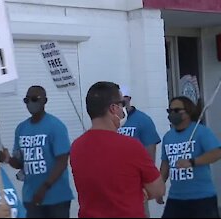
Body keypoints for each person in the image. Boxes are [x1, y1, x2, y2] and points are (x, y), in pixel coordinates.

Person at [70, 81, 165, 218]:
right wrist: (142, 193)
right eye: (122, 104)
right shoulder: (131, 146)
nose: (123, 110)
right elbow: (158, 189)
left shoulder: (76, 147)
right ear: (113, 108)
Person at [0, 85, 73, 218]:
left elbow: (62, 162)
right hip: (31, 197)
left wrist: (45, 187)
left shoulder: (56, 126)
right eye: (27, 100)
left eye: (34, 99)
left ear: (45, 100)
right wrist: (7, 158)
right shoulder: (21, 128)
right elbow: (21, 163)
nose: (30, 103)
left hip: (56, 198)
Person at [158, 96, 221, 218]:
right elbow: (165, 163)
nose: (172, 114)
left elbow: (217, 152)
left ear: (188, 112)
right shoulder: (168, 137)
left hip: (201, 198)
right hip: (175, 198)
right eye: (169, 111)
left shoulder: (201, 132)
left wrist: (192, 162)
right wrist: (160, 186)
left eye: (176, 110)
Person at [118, 86, 161, 217]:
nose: (121, 105)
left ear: (129, 99)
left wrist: (148, 182)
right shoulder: (112, 121)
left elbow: (150, 152)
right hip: (115, 181)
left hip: (136, 182)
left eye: (122, 102)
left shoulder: (143, 120)